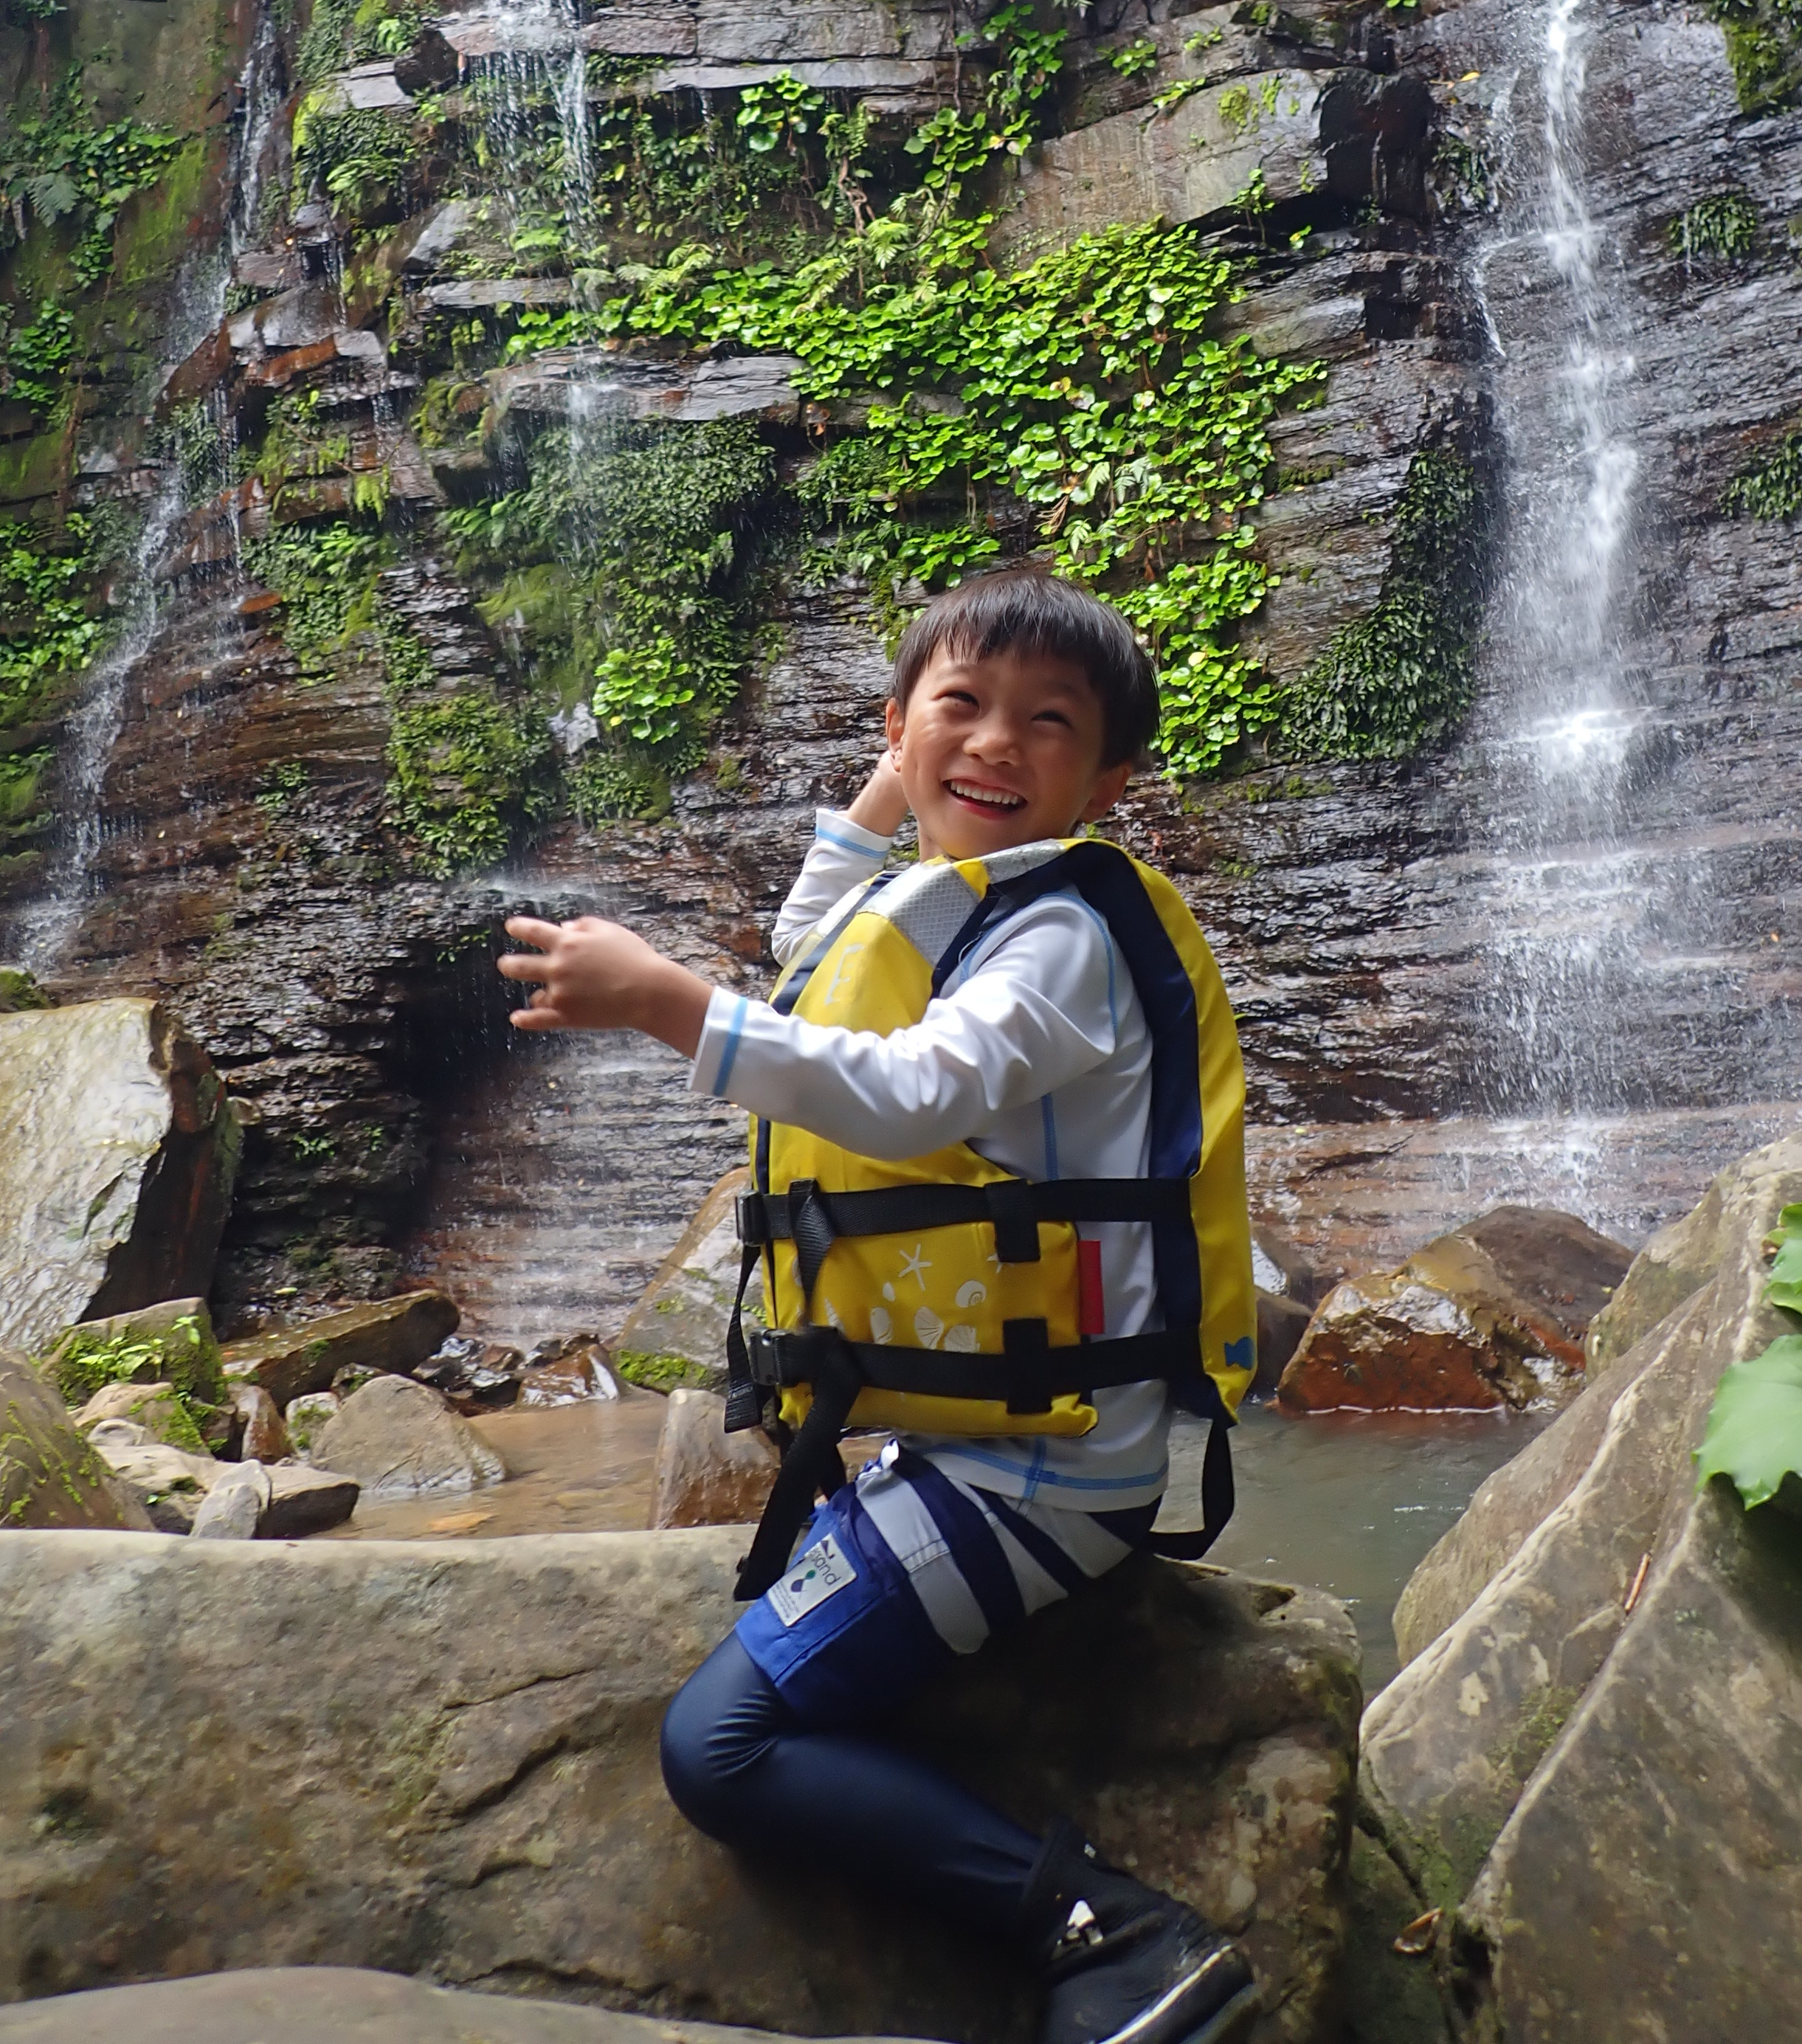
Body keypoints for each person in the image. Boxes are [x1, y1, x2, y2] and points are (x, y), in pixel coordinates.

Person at [497, 563, 1259, 2044]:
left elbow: (917, 1094)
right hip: (976, 1444)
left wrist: (667, 1002)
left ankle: (1114, 1927)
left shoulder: (1064, 937)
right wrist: (879, 801)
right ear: (896, 729)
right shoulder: (957, 895)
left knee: (718, 1747)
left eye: (1047, 723)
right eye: (959, 709)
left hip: (1043, 1476)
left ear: (1107, 779)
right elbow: (816, 959)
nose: (995, 743)